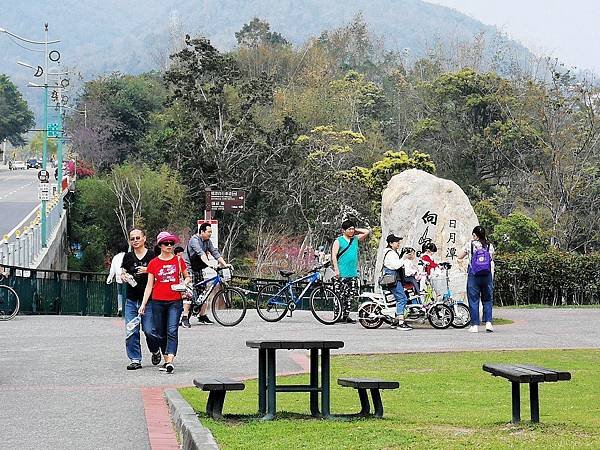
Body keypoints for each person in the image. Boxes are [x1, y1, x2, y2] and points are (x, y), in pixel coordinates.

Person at [139, 231, 190, 374]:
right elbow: (149, 285)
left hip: (175, 301)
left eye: (171, 243)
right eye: (166, 243)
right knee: (160, 333)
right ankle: (165, 358)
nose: (169, 246)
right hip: (157, 301)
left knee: (172, 330)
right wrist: (143, 304)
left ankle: (170, 361)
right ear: (160, 245)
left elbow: (187, 277)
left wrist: (183, 284)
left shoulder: (179, 261)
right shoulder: (153, 263)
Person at [121, 228, 161, 370]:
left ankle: (155, 350)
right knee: (131, 330)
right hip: (131, 299)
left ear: (144, 238)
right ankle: (135, 359)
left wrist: (148, 270)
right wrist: (123, 276)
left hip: (149, 300)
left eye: (138, 238)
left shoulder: (153, 255)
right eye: (132, 239)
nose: (135, 241)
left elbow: (160, 273)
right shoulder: (127, 257)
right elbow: (123, 271)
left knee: (150, 330)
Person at [182, 222, 232, 326]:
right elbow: (200, 253)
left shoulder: (207, 241)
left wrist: (225, 264)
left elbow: (215, 252)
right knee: (189, 293)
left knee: (204, 291)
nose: (210, 234)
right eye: (209, 232)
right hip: (188, 267)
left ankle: (202, 315)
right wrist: (210, 264)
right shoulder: (194, 240)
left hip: (198, 268)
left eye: (211, 232)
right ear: (202, 232)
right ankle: (185, 317)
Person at [331, 219, 371, 323]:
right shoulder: (338, 241)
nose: (352, 231)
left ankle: (346, 315)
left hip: (352, 272)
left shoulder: (355, 240)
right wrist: (336, 269)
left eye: (352, 229)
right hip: (341, 272)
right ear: (343, 230)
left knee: (349, 295)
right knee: (339, 295)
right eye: (349, 229)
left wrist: (355, 228)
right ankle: (337, 315)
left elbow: (366, 232)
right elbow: (334, 256)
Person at [457, 225, 495, 333]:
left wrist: (462, 265)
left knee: (474, 300)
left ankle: (474, 325)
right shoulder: (489, 246)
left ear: (475, 235)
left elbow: (459, 256)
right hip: (487, 276)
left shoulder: (469, 245)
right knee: (487, 299)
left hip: (474, 275)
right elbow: (491, 259)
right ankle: (488, 323)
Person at [381, 234, 412, 330]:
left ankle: (395, 321)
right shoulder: (390, 253)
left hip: (394, 278)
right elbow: (396, 266)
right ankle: (401, 323)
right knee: (402, 298)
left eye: (399, 242)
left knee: (400, 298)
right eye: (396, 242)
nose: (399, 243)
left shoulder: (392, 252)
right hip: (393, 279)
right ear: (390, 243)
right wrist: (404, 258)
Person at [106, 245, 127, 316]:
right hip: (127, 278)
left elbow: (112, 269)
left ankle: (120, 308)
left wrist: (110, 278)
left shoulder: (116, 257)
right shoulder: (128, 256)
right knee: (127, 294)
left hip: (118, 278)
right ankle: (126, 308)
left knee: (120, 293)